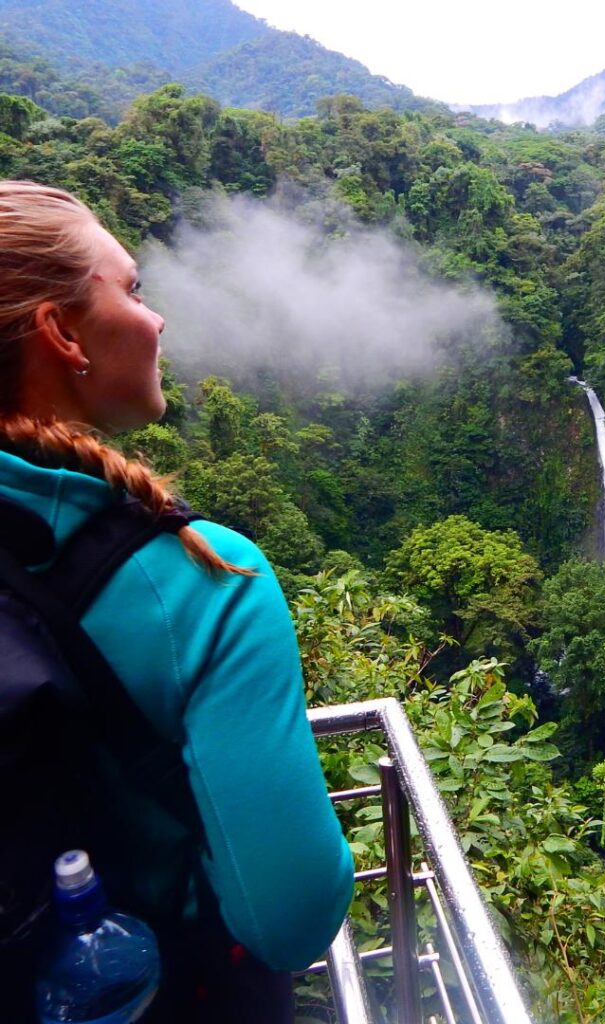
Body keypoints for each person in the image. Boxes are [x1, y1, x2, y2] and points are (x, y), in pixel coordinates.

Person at [0, 180, 354, 1019]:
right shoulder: (209, 584)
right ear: (62, 333)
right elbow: (291, 919)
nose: (155, 319)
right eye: (131, 288)